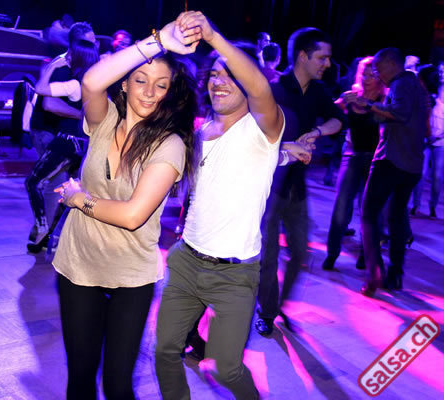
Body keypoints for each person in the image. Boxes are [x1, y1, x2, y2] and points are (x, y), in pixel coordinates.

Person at [51, 17, 199, 399]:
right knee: (80, 378)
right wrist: (158, 41)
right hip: (79, 264)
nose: (149, 92)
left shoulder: (170, 145)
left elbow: (133, 216)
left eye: (161, 85)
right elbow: (91, 81)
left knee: (117, 385)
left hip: (131, 276)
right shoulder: (104, 121)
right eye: (140, 80)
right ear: (124, 83)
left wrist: (78, 198)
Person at [153, 11, 287, 399]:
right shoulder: (198, 133)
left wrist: (212, 37)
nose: (219, 81)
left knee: (227, 368)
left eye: (230, 75)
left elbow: (259, 87)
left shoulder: (263, 128)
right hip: (186, 261)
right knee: (165, 351)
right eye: (213, 74)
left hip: (235, 274)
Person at [255, 27, 345, 337]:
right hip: (269, 188)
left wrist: (317, 132)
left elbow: (338, 119)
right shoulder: (274, 91)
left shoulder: (318, 92)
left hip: (296, 187)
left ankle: (277, 305)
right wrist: (287, 147)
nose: (327, 64)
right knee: (267, 257)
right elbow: (254, 138)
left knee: (300, 252)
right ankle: (267, 311)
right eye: (322, 57)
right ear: (303, 56)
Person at [349, 48, 430, 296]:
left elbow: (399, 113)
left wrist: (369, 104)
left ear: (392, 64)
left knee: (369, 214)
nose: (377, 74)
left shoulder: (400, 83)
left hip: (391, 159)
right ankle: (395, 275)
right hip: (413, 164)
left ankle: (374, 272)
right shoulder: (417, 86)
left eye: (379, 69)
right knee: (396, 218)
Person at [26, 22, 97, 251]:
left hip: (67, 141)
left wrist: (52, 66)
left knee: (36, 182)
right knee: (72, 190)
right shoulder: (98, 82)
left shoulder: (75, 84)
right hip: (86, 145)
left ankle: (43, 228)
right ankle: (56, 237)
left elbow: (41, 90)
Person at [322, 56, 386, 270]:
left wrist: (370, 105)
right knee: (341, 205)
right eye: (364, 74)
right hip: (351, 154)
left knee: (369, 209)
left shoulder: (384, 98)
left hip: (375, 159)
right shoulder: (352, 95)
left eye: (372, 74)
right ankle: (332, 253)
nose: (366, 78)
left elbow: (391, 121)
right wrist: (339, 102)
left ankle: (365, 254)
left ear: (379, 76)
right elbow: (330, 113)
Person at [411, 64, 441, 218]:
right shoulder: (428, 95)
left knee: (437, 176)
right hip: (424, 140)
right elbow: (425, 118)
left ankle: (433, 206)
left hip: (440, 141)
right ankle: (415, 205)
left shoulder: (430, 95)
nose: (442, 74)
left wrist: (438, 136)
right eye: (441, 71)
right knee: (420, 174)